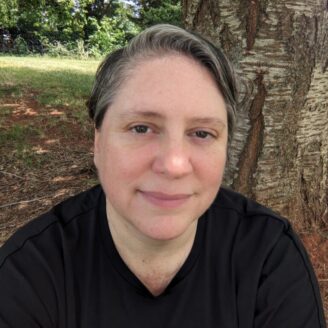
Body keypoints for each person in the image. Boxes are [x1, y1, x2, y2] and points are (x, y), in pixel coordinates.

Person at [0, 24, 326, 328]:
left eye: (201, 133)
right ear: (98, 143)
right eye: (141, 128)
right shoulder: (30, 273)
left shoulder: (267, 258)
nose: (173, 164)